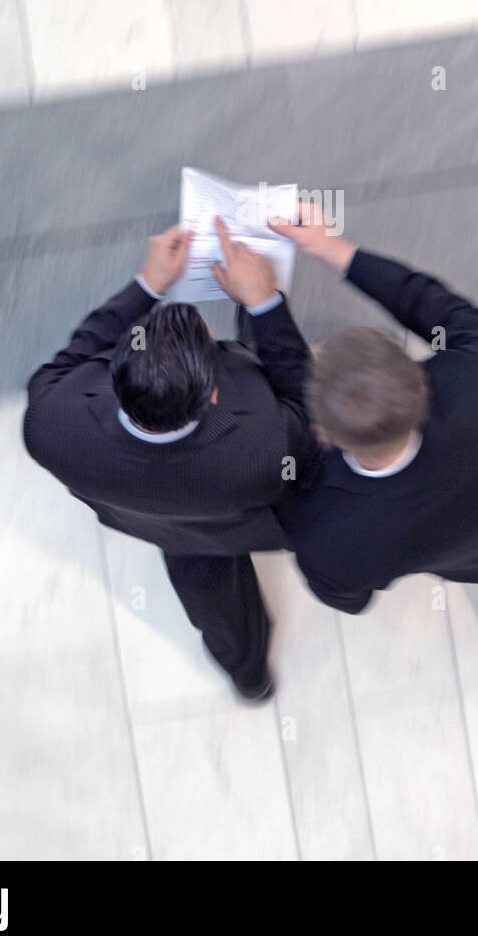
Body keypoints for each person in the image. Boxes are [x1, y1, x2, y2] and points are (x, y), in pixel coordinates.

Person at [268, 207, 478, 708]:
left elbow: (349, 597)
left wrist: (263, 309)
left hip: (465, 557)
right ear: (421, 380)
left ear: (324, 435)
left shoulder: (329, 536)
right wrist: (331, 247)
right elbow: (431, 302)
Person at [22, 219, 313, 701]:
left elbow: (70, 359)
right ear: (215, 392)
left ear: (115, 373)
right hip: (242, 518)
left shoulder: (48, 423)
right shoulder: (265, 447)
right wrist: (263, 304)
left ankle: (250, 679)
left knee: (212, 602)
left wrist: (147, 285)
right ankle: (249, 675)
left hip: (154, 521)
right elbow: (303, 399)